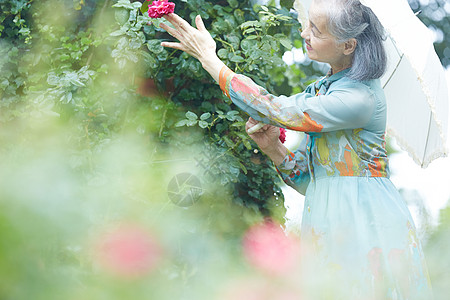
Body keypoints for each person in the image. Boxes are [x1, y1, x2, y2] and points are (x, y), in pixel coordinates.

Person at [160, 0, 433, 298]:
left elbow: (272, 108)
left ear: (348, 45)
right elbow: (310, 180)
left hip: (365, 219)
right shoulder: (326, 88)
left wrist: (209, 59)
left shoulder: (359, 100)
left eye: (316, 31)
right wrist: (273, 150)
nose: (304, 34)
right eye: (308, 25)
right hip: (326, 217)